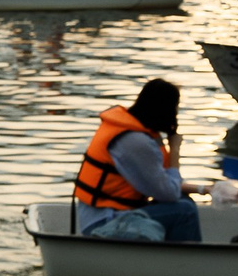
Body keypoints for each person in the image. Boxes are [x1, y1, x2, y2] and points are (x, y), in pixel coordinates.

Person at [71, 79, 201, 239]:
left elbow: (167, 186)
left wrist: (204, 189)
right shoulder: (137, 142)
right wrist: (175, 150)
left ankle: (170, 253)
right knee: (185, 211)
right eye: (175, 108)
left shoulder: (128, 130)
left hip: (106, 214)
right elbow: (170, 193)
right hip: (104, 223)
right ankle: (185, 256)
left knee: (185, 202)